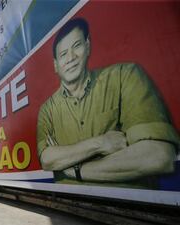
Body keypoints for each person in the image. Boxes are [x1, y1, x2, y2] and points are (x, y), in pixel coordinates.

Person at [37, 18, 179, 189]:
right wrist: (100, 143)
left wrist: (75, 170)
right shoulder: (47, 110)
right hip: (68, 201)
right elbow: (47, 159)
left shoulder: (124, 76)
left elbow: (158, 155)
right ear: (55, 65)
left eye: (76, 46)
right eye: (63, 54)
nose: (71, 58)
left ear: (87, 46)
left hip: (132, 205)